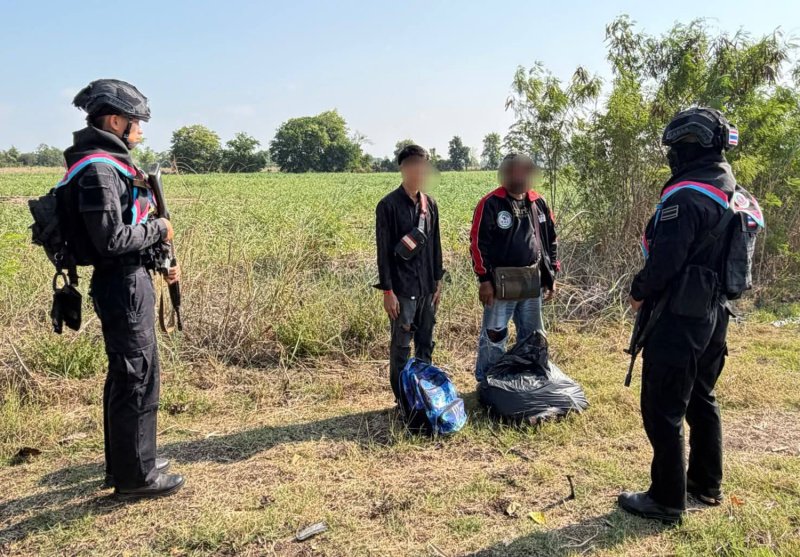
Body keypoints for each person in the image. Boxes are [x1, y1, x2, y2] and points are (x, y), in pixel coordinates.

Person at [619, 107, 743, 522]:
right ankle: (706, 485)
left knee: (663, 406)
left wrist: (639, 291)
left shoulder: (686, 194)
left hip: (680, 314)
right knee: (702, 398)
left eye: (674, 148)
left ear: (687, 148)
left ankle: (666, 499)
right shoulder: (732, 190)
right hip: (716, 313)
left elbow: (666, 260)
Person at [66, 79, 184, 498]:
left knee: (134, 374)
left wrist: (160, 258)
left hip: (132, 279)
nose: (140, 131)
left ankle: (134, 462)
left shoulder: (107, 163)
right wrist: (159, 228)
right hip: (121, 285)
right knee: (135, 376)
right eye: (136, 123)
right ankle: (137, 478)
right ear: (115, 121)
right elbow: (111, 240)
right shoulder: (98, 169)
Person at [470, 153, 558, 382]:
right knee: (494, 336)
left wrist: (551, 276)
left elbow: (551, 240)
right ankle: (488, 382)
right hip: (500, 284)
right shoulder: (490, 203)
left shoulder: (538, 202)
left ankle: (530, 379)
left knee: (533, 335)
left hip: (532, 280)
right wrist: (484, 280)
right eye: (513, 170)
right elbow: (478, 245)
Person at [375, 145, 444, 404]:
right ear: (402, 167)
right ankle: (403, 401)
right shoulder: (388, 206)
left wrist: (438, 281)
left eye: (423, 165)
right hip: (402, 290)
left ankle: (424, 397)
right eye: (413, 164)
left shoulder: (431, 205)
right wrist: (388, 292)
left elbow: (436, 245)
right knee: (401, 347)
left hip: (427, 286)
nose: (419, 170)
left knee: (426, 343)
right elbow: (383, 252)